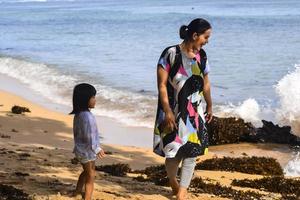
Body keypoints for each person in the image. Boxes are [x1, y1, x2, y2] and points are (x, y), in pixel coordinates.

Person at [153, 18, 213, 200]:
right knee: (173, 152)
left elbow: (206, 83)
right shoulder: (170, 53)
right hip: (172, 110)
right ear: (195, 35)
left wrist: (209, 104)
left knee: (192, 153)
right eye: (206, 37)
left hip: (195, 112)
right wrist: (167, 110)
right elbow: (162, 85)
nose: (207, 41)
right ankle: (173, 181)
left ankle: (182, 193)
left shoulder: (202, 56)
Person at [70, 83, 106, 200]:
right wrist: (97, 148)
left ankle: (77, 191)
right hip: (87, 151)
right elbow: (89, 136)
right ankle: (88, 197)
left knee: (86, 172)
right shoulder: (88, 117)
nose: (95, 100)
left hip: (80, 149)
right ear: (85, 99)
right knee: (91, 175)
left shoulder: (79, 114)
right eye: (93, 97)